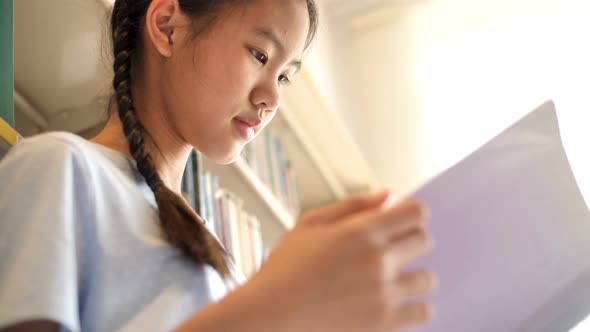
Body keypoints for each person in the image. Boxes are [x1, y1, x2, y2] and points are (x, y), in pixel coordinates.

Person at [0, 0, 436, 331]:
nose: (272, 99)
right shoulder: (59, 167)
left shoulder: (221, 259)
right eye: (261, 55)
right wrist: (273, 302)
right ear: (167, 25)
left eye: (285, 76)